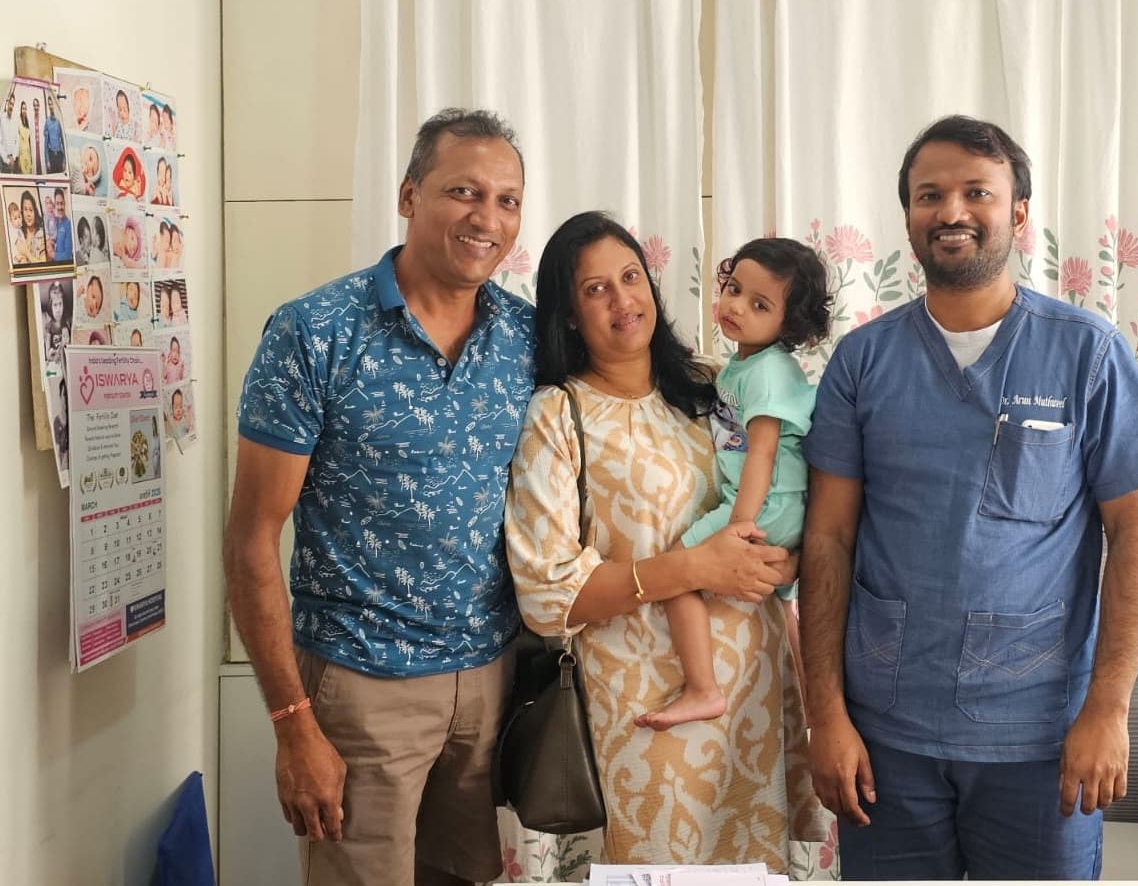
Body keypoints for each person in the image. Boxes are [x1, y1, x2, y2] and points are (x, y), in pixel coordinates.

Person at [799, 114, 1138, 880]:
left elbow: (1136, 536)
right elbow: (827, 541)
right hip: (886, 737)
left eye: (975, 191)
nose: (950, 211)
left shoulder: (1087, 352)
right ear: (907, 216)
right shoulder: (863, 361)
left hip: (1042, 736)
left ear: (1016, 212)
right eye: (927, 195)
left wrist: (1107, 711)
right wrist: (827, 716)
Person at [224, 108, 535, 886]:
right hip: (363, 686)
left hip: (493, 682)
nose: (486, 218)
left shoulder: (527, 338)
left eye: (506, 200)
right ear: (408, 195)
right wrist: (294, 725)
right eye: (463, 191)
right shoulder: (314, 332)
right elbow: (251, 538)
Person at [505, 211, 829, 870]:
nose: (623, 300)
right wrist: (693, 566)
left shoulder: (712, 388)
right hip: (647, 712)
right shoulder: (556, 416)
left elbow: (789, 490)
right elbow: (544, 595)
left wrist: (783, 559)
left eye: (630, 277)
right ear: (568, 313)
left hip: (755, 705)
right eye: (595, 289)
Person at [637, 236, 832, 731]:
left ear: (789, 325)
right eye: (733, 288)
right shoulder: (744, 366)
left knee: (679, 566)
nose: (735, 307)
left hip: (766, 505)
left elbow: (762, 453)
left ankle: (702, 688)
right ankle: (809, 704)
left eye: (759, 304)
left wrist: (738, 526)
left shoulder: (766, 372)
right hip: (779, 506)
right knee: (783, 606)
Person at [12, 190, 47, 265]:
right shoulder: (18, 233)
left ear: (35, 212)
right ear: (21, 211)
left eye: (31, 210)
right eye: (25, 210)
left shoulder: (42, 235)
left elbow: (43, 265)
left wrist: (27, 253)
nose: (28, 214)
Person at [43, 280, 70, 370]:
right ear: (50, 306)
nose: (58, 309)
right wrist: (54, 355)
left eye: (60, 304)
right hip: (54, 365)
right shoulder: (49, 327)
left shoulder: (66, 324)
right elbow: (47, 355)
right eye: (55, 305)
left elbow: (68, 347)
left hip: (66, 363)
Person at [44, 95, 65, 174]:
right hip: (51, 156)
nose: (51, 106)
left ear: (54, 105)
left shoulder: (59, 122)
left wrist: (64, 161)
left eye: (52, 104)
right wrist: (47, 161)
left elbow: (63, 142)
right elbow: (45, 145)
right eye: (49, 104)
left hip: (59, 156)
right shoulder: (47, 123)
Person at [52, 189, 72, 263]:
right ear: (54, 205)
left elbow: (68, 255)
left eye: (62, 203)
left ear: (65, 204)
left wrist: (53, 255)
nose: (60, 207)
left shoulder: (69, 225)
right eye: (57, 203)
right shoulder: (55, 222)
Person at [0, 94, 18, 173]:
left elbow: (17, 141)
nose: (11, 106)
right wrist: (6, 159)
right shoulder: (1, 119)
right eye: (10, 103)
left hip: (13, 160)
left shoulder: (15, 119)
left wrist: (13, 157)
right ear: (7, 103)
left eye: (13, 104)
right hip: (4, 161)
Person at [17, 100, 32, 174]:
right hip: (21, 154)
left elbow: (29, 141)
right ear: (20, 109)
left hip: (28, 154)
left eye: (25, 109)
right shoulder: (18, 121)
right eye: (23, 108)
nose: (24, 110)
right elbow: (17, 140)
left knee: (28, 173)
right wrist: (19, 158)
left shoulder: (27, 122)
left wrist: (31, 157)